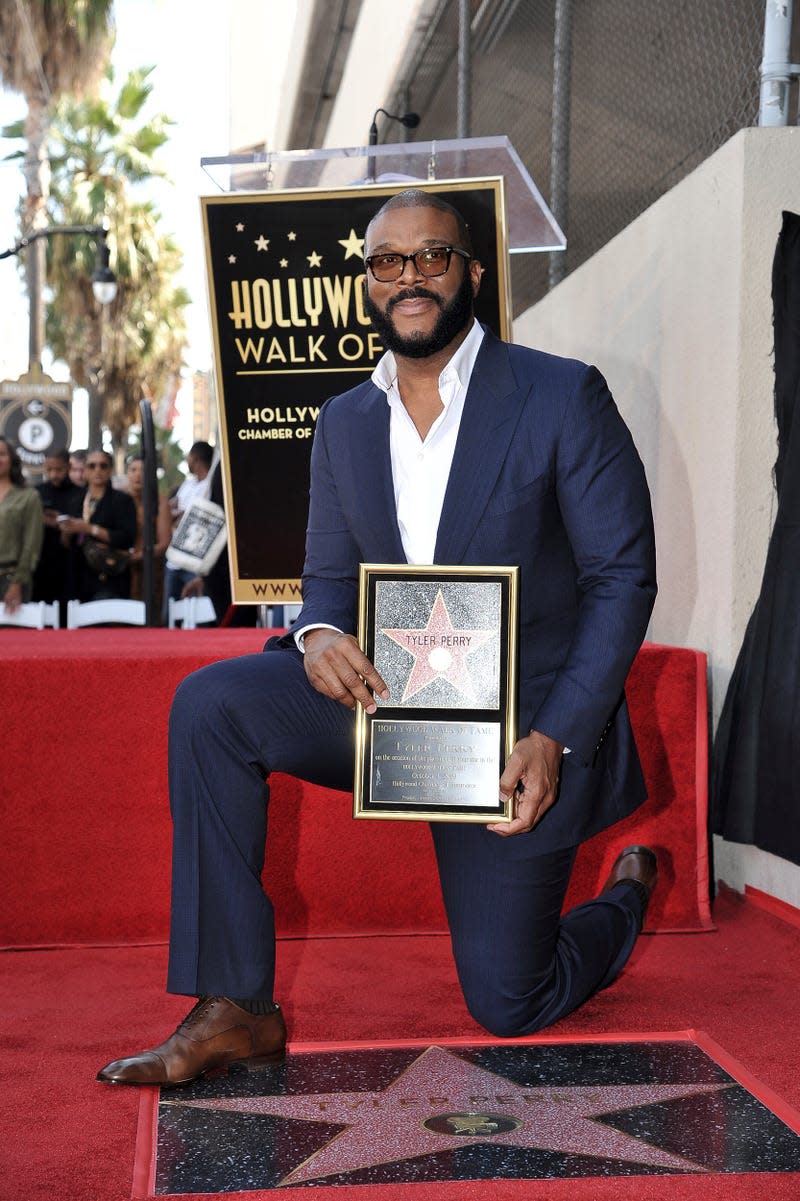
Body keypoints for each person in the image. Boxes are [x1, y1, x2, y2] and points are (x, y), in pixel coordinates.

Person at [98, 190, 658, 1088]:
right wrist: (318, 633)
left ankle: (625, 898)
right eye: (387, 261)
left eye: (431, 257)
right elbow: (326, 578)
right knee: (212, 705)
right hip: (390, 703)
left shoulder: (562, 394)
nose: (409, 277)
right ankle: (237, 1003)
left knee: (509, 1002)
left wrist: (553, 736)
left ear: (471, 272)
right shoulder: (344, 422)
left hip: (518, 729)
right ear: (368, 282)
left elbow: (622, 579)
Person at [60, 449, 137, 601]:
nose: (97, 470)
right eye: (92, 466)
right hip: (78, 577)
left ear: (110, 470)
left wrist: (90, 529)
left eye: (103, 466)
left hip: (109, 576)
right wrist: (67, 530)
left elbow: (127, 539)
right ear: (85, 470)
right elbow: (66, 543)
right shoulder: (75, 499)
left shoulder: (122, 500)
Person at [162, 441, 214, 622]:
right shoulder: (187, 485)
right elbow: (169, 509)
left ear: (195, 458)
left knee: (201, 615)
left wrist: (178, 515)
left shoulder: (211, 485)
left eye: (189, 458)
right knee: (169, 614)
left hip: (197, 561)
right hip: (174, 559)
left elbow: (198, 516)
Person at [33, 449, 83, 618]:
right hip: (41, 566)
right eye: (49, 470)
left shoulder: (81, 494)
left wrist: (57, 522)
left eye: (58, 470)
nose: (53, 474)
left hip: (71, 566)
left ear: (68, 466)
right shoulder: (36, 493)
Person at [0, 436, 44, 613]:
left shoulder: (28, 496)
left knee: (12, 639)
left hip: (11, 579)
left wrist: (17, 582)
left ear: (12, 460)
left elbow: (31, 545)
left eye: (2, 454)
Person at [125, 456, 173, 613]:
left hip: (151, 572)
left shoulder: (159, 502)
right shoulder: (119, 499)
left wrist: (138, 555)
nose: (138, 475)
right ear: (127, 474)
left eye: (143, 470)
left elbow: (164, 542)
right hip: (122, 572)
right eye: (133, 470)